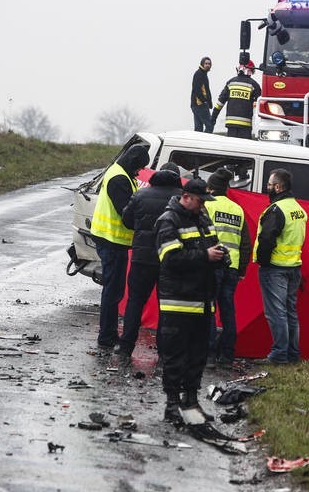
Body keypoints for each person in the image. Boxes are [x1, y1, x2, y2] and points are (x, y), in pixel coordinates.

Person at [154, 178, 225, 423]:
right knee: (175, 356)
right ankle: (172, 405)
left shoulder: (203, 219)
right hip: (178, 301)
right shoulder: (168, 221)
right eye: (201, 201)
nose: (204, 206)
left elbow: (213, 245)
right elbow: (171, 259)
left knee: (198, 356)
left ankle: (191, 404)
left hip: (203, 299)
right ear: (187, 197)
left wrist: (219, 255)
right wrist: (205, 255)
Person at [116, 162, 183, 362]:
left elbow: (127, 220)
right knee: (167, 306)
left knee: (135, 302)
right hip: (170, 260)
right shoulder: (182, 199)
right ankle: (164, 352)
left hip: (142, 259)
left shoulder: (141, 195)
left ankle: (126, 347)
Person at [90, 145, 150, 349]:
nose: (140, 171)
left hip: (114, 241)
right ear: (133, 161)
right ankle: (106, 336)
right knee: (112, 291)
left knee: (113, 290)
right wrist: (146, 224)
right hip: (111, 241)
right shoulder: (119, 178)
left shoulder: (122, 173)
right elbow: (126, 214)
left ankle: (109, 333)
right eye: (140, 167)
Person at [253, 168, 307, 364]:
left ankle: (278, 355)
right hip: (294, 267)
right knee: (290, 312)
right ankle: (292, 354)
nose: (267, 188)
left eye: (269, 184)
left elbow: (267, 237)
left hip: (275, 267)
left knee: (276, 313)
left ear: (278, 187)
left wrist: (263, 262)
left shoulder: (276, 210)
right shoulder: (298, 209)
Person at [205, 168, 253, 370]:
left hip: (211, 265)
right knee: (228, 311)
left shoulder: (207, 205)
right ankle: (226, 356)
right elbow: (245, 244)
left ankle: (208, 357)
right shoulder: (238, 209)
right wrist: (241, 269)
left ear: (211, 188)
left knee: (208, 310)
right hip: (232, 268)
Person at [210, 60, 261, 139]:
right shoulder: (254, 85)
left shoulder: (231, 83)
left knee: (232, 148)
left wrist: (213, 118)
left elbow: (220, 103)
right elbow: (260, 106)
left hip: (231, 124)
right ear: (250, 71)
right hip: (245, 126)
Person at [191, 56, 213, 133]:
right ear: (202, 64)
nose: (208, 65)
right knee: (210, 125)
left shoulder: (203, 74)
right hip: (200, 104)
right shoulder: (199, 74)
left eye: (209, 64)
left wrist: (209, 103)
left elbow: (206, 90)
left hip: (196, 105)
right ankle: (206, 143)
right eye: (206, 63)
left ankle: (197, 143)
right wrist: (204, 101)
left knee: (198, 128)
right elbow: (197, 90)